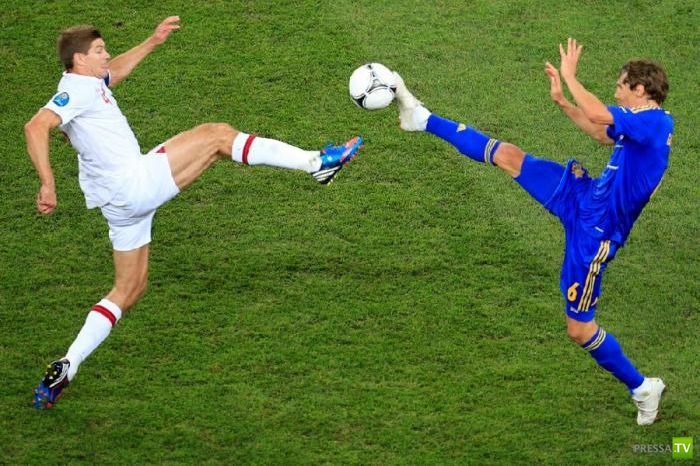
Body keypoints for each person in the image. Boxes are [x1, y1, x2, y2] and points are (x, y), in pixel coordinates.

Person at [27, 16, 363, 409]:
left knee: (129, 289)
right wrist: (48, 184)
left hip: (118, 204)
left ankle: (68, 365)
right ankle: (316, 163)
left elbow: (111, 75)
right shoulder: (72, 92)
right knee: (216, 136)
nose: (107, 55)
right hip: (133, 184)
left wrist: (152, 42)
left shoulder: (88, 82)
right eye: (99, 50)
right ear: (80, 60)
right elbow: (36, 126)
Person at [392, 38, 672, 425]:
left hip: (595, 235)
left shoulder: (655, 122)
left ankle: (642, 387)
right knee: (510, 157)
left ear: (640, 90)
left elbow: (598, 113)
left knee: (579, 330)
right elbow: (599, 131)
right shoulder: (644, 122)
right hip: (583, 197)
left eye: (621, 85)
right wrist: (563, 102)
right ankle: (422, 118)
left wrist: (571, 76)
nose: (616, 91)